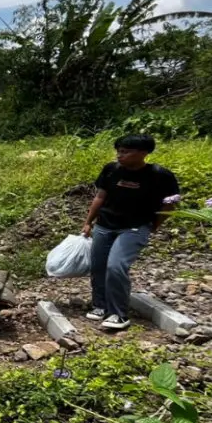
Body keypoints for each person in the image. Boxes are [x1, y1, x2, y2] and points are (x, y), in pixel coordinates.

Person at [81, 134, 180, 331]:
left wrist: (155, 224)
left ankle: (118, 314)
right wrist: (88, 222)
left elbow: (171, 204)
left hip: (134, 227)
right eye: (118, 151)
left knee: (116, 266)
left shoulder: (160, 175)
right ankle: (100, 305)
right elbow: (100, 196)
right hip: (105, 225)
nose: (120, 155)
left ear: (143, 153)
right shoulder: (111, 170)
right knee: (99, 266)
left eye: (125, 152)